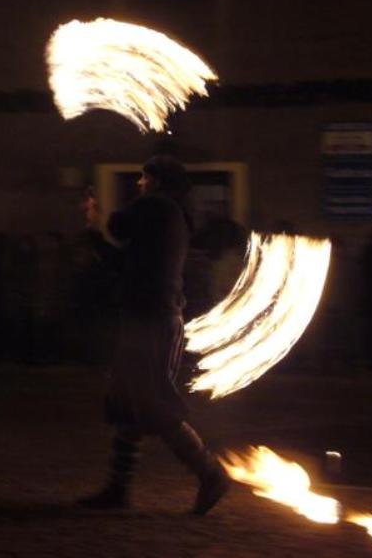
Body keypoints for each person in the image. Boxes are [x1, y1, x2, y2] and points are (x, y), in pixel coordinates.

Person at [78, 155, 230, 515]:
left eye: (144, 178)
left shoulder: (159, 207)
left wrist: (101, 215)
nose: (139, 184)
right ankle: (118, 488)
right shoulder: (162, 217)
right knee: (127, 404)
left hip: (154, 320)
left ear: (159, 181)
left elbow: (119, 225)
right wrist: (91, 229)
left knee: (151, 403)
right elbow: (119, 261)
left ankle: (210, 473)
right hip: (144, 317)